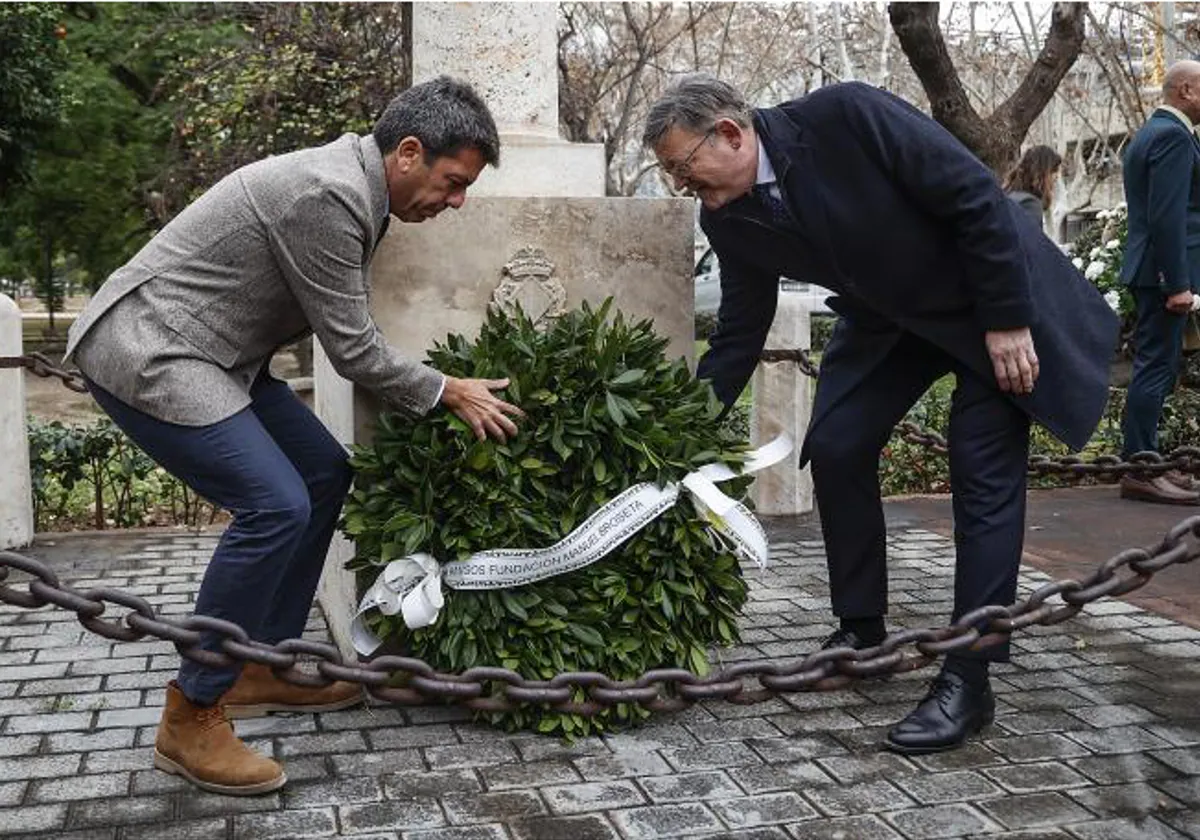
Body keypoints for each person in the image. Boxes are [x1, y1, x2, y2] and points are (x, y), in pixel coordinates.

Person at [65, 76, 524, 795]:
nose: (456, 201)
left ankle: (258, 663)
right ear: (407, 152)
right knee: (275, 503)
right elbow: (353, 349)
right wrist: (447, 392)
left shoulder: (358, 185)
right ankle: (192, 712)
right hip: (154, 348)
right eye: (453, 181)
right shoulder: (330, 195)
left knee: (322, 473)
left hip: (222, 357)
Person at [643, 76, 1118, 754]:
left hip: (987, 301)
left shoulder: (846, 115)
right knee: (836, 445)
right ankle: (861, 627)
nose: (684, 188)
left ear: (729, 133)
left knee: (981, 475)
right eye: (673, 177)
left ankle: (968, 674)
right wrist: (681, 428)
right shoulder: (729, 214)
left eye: (683, 169)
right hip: (893, 322)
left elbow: (975, 198)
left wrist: (1008, 321)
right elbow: (740, 331)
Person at [1117, 60, 1200, 505]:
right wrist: (1176, 283)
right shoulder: (1172, 136)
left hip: (1152, 270)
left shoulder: (1154, 131)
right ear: (1186, 90)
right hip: (1162, 274)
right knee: (1156, 368)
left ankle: (1144, 460)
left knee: (1157, 366)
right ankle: (1141, 468)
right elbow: (1167, 217)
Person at [1003, 144, 1062, 225]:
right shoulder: (1029, 204)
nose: (1056, 177)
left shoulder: (1011, 196)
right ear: (1042, 174)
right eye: (1053, 171)